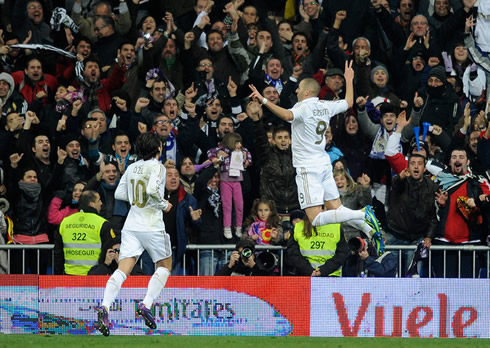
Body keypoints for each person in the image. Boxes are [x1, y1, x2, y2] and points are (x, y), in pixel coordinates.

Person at [249, 61, 383, 253]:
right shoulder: (326, 106)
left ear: (306, 93)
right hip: (324, 164)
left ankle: (362, 214)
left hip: (308, 169)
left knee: (315, 218)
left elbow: (286, 116)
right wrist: (349, 79)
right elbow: (349, 103)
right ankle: (371, 231)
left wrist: (263, 100)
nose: (296, 92)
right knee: (336, 209)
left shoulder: (303, 108)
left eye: (298, 89)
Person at [96, 132, 173, 336]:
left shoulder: (131, 168)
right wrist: (164, 204)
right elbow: (152, 190)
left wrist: (136, 199)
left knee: (123, 270)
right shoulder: (157, 166)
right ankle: (146, 304)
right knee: (165, 266)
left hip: (131, 225)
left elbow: (121, 194)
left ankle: (104, 306)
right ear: (158, 149)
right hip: (152, 225)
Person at [54, 189, 116, 275]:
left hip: (69, 277)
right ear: (92, 204)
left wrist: (59, 276)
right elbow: (108, 252)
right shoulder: (102, 224)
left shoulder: (65, 222)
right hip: (94, 277)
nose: (101, 203)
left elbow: (58, 253)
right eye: (99, 200)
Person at [207, 132, 252, 239]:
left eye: (240, 142)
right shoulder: (223, 151)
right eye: (237, 142)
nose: (239, 145)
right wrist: (216, 156)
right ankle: (227, 227)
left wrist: (247, 161)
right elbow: (210, 152)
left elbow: (249, 159)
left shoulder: (243, 151)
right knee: (227, 206)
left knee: (239, 205)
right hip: (225, 181)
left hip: (237, 181)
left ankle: (238, 227)